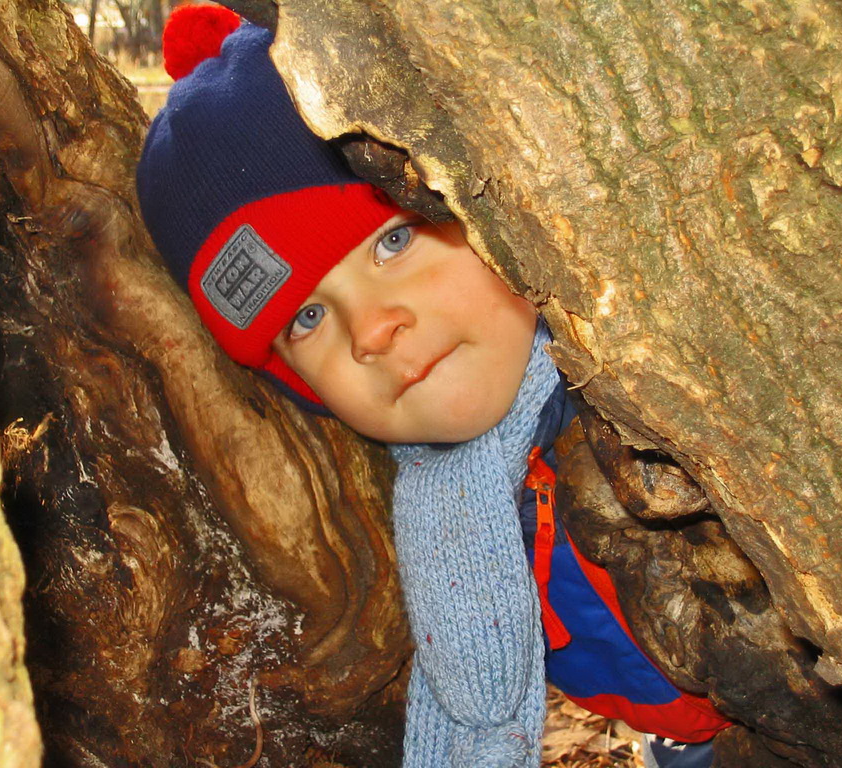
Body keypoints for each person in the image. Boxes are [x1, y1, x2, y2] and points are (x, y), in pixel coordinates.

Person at [136, 7, 730, 766]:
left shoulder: (656, 377)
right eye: (308, 317)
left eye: (392, 241)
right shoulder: (433, 498)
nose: (372, 331)